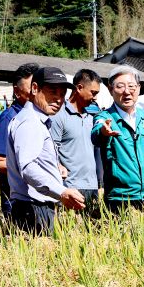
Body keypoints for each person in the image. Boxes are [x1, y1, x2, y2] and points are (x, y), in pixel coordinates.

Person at [6, 66, 85, 234]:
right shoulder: (30, 122)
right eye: (52, 91)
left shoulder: (36, 120)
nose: (58, 99)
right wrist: (61, 191)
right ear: (35, 88)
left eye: (62, 94)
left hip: (35, 207)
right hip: (32, 208)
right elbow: (27, 167)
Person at [92, 66, 144, 212]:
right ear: (110, 90)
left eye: (131, 86)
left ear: (139, 88)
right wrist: (103, 131)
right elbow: (96, 133)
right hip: (121, 198)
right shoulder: (105, 117)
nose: (127, 92)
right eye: (120, 86)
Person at [50, 68, 102, 218]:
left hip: (92, 187)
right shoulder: (59, 115)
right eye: (93, 92)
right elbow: (51, 150)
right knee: (69, 229)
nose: (95, 98)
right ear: (79, 88)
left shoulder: (93, 117)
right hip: (70, 187)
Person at [0, 62, 39, 216]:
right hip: (17, 203)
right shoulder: (9, 118)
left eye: (39, 87)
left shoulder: (39, 117)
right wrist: (32, 169)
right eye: (31, 88)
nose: (36, 92)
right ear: (17, 92)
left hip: (38, 198)